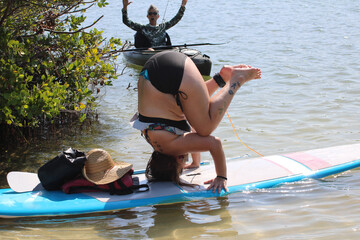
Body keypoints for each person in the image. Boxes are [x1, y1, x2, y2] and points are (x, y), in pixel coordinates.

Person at [130, 51, 262, 193]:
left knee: (205, 128)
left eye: (181, 168)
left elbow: (214, 143)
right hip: (157, 67)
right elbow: (192, 130)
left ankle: (237, 79)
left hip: (172, 74)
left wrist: (221, 176)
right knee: (190, 112)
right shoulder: (155, 139)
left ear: (177, 161)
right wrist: (195, 163)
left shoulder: (172, 147)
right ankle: (221, 77)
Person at [122, 0, 188, 50]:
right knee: (150, 50)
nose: (152, 15)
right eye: (150, 14)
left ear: (158, 16)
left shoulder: (163, 27)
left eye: (154, 13)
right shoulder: (143, 28)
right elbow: (126, 21)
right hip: (149, 53)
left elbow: (176, 19)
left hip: (163, 52)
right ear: (147, 16)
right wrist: (125, 8)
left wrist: (182, 6)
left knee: (176, 49)